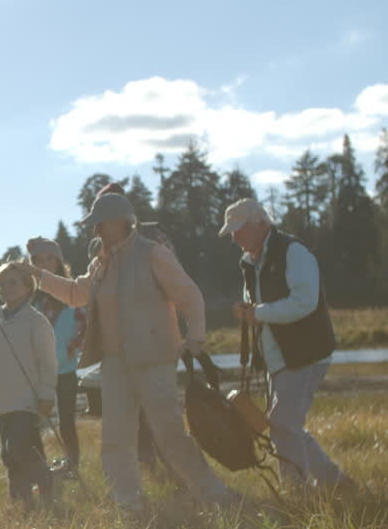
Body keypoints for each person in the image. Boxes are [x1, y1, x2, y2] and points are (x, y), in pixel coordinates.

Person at [30, 184, 235, 511]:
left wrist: (195, 337)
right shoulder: (100, 263)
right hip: (115, 364)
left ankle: (215, 496)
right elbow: (75, 294)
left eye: (101, 222)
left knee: (170, 435)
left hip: (154, 359)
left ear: (122, 221)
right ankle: (129, 504)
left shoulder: (152, 253)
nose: (95, 228)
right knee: (115, 440)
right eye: (94, 223)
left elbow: (189, 295)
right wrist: (38, 277)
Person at [220, 198, 352, 493]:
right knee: (287, 425)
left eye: (239, 229)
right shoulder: (252, 261)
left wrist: (258, 312)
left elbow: (305, 302)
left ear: (261, 224)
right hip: (280, 356)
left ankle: (298, 493)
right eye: (231, 231)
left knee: (282, 424)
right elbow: (263, 307)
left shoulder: (294, 252)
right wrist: (249, 311)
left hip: (304, 353)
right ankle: (335, 482)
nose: (234, 237)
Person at [0, 261, 58, 511]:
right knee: (9, 455)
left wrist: (46, 395)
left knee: (18, 447)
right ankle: (24, 503)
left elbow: (48, 363)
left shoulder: (37, 321)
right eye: (1, 284)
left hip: (28, 400)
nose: (5, 288)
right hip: (3, 401)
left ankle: (46, 479)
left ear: (27, 285)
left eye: (12, 282)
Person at [25, 237, 86, 479]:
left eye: (49, 259)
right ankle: (39, 469)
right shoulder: (31, 298)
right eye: (38, 261)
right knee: (33, 421)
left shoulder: (71, 292)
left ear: (59, 262)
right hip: (38, 372)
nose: (44, 264)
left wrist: (75, 345)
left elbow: (86, 325)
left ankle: (72, 465)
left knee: (66, 421)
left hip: (66, 369)